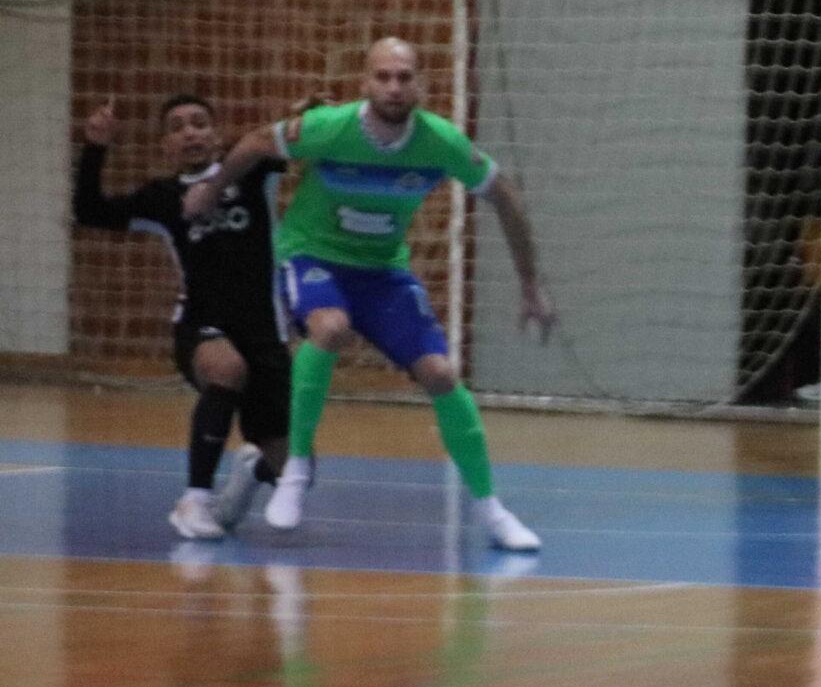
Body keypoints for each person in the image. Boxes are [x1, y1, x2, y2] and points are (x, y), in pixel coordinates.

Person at [186, 38, 553, 551]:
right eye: (383, 76)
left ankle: (491, 509)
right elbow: (255, 143)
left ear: (420, 84)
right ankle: (295, 469)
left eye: (404, 77)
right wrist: (211, 189)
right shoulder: (329, 127)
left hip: (382, 272)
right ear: (364, 83)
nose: (394, 87)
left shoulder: (440, 142)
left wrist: (530, 285)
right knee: (330, 327)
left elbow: (505, 195)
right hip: (313, 258)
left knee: (441, 374)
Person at [73, 95, 292, 539]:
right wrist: (96, 147)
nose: (190, 132)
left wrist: (311, 111)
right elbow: (89, 210)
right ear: (165, 145)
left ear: (216, 134)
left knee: (294, 470)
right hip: (201, 325)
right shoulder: (162, 198)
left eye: (199, 123)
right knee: (227, 369)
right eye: (177, 127)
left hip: (264, 332)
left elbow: (288, 140)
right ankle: (194, 500)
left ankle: (246, 478)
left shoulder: (251, 173)